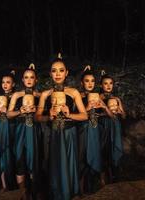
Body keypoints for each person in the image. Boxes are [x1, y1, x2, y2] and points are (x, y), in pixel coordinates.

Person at [35, 54, 87, 200]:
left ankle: (72, 193)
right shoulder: (45, 94)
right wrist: (48, 116)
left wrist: (69, 114)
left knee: (70, 163)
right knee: (53, 164)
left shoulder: (74, 92)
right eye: (54, 70)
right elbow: (36, 117)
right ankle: (56, 194)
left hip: (69, 134)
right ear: (50, 73)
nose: (57, 74)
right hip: (53, 134)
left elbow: (84, 115)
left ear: (67, 72)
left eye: (61, 70)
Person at [7, 64, 41, 198]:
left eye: (32, 77)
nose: (29, 80)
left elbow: (45, 115)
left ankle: (34, 192)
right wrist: (19, 111)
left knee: (34, 160)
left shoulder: (39, 95)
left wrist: (36, 110)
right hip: (20, 130)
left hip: (34, 130)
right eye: (26, 77)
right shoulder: (17, 95)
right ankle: (22, 194)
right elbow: (9, 114)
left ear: (36, 80)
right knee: (20, 159)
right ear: (22, 80)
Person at [78, 65, 112, 193]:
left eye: (92, 81)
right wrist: (87, 107)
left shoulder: (99, 96)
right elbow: (75, 115)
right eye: (87, 81)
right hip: (83, 130)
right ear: (82, 83)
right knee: (82, 158)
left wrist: (103, 107)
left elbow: (110, 116)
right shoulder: (79, 96)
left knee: (99, 155)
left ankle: (103, 185)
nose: (90, 83)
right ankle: (81, 190)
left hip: (96, 129)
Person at [0, 70, 16, 192]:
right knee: (1, 153)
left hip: (10, 127)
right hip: (0, 127)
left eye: (8, 82)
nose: (5, 85)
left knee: (10, 152)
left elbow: (16, 113)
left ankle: (15, 184)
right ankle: (4, 185)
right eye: (3, 82)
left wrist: (8, 110)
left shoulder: (16, 97)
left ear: (13, 84)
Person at [99, 70, 126, 183]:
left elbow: (124, 116)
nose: (108, 86)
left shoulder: (117, 99)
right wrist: (106, 111)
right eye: (106, 83)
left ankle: (114, 174)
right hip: (104, 125)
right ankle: (103, 176)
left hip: (115, 125)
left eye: (111, 83)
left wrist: (121, 112)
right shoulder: (98, 98)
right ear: (101, 85)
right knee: (104, 148)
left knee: (115, 147)